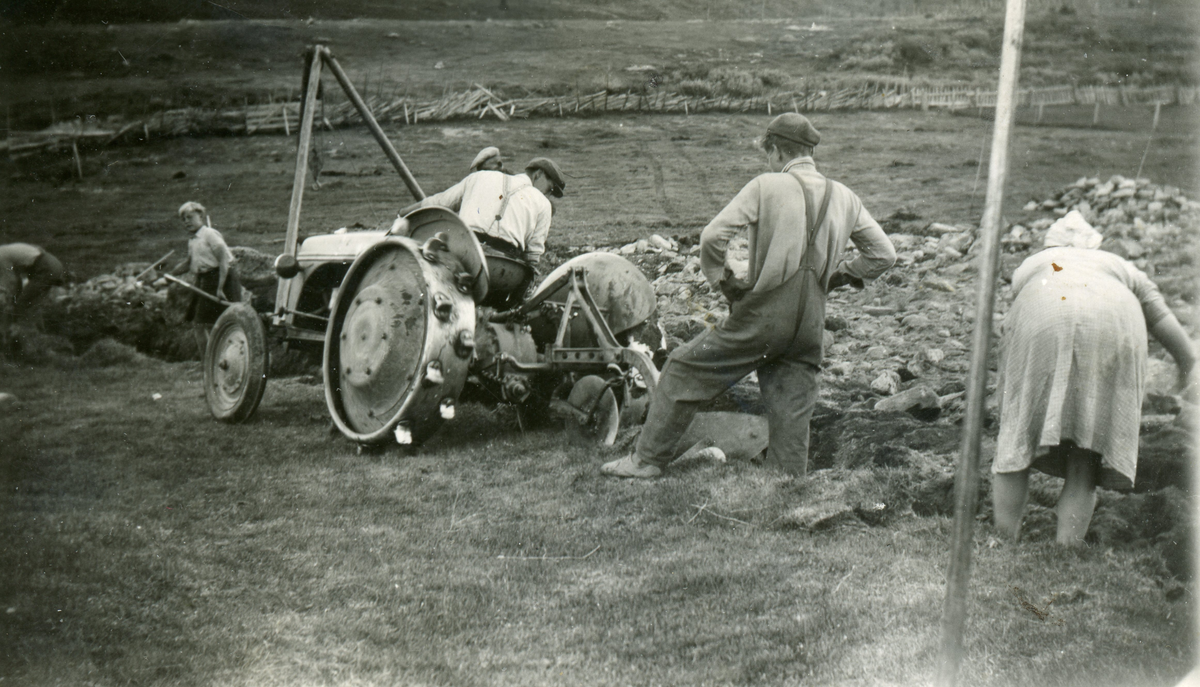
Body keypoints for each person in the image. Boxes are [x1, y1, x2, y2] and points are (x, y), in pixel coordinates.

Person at [602, 113, 897, 479]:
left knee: (682, 368)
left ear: (775, 151)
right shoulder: (845, 197)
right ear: (809, 152)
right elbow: (884, 254)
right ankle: (788, 484)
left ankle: (645, 460)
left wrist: (723, 280)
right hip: (810, 322)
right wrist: (837, 278)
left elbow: (712, 236)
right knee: (792, 403)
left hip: (764, 314)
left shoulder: (767, 185)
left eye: (768, 153)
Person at [991, 211, 1196, 546]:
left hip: (1045, 315)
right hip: (1116, 323)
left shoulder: (1037, 263)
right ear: (1096, 245)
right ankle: (1066, 547)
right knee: (1087, 446)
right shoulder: (1120, 267)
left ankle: (1003, 538)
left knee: (1018, 436)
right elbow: (1163, 320)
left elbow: (1018, 308)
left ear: (1052, 244)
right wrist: (1187, 364)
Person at [400, 157, 565, 267]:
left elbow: (440, 202)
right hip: (504, 262)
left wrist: (406, 211)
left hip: (464, 250)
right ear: (539, 174)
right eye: (550, 189)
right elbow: (533, 255)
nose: (547, 195)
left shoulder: (480, 176)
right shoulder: (543, 203)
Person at [169, 201, 243, 353]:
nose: (186, 222)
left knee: (222, 322)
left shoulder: (209, 234)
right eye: (183, 219)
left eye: (190, 217)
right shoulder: (193, 240)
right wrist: (170, 274)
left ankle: (224, 358)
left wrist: (220, 287)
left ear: (201, 215)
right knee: (201, 324)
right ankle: (211, 361)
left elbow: (224, 261)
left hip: (223, 278)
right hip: (206, 280)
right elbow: (188, 263)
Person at [0, 242, 66, 355]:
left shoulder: (1, 256)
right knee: (32, 305)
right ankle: (40, 338)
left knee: (23, 305)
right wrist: (14, 298)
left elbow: (11, 281)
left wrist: (9, 301)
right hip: (52, 264)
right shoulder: (4, 251)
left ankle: (29, 346)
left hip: (45, 268)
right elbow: (17, 282)